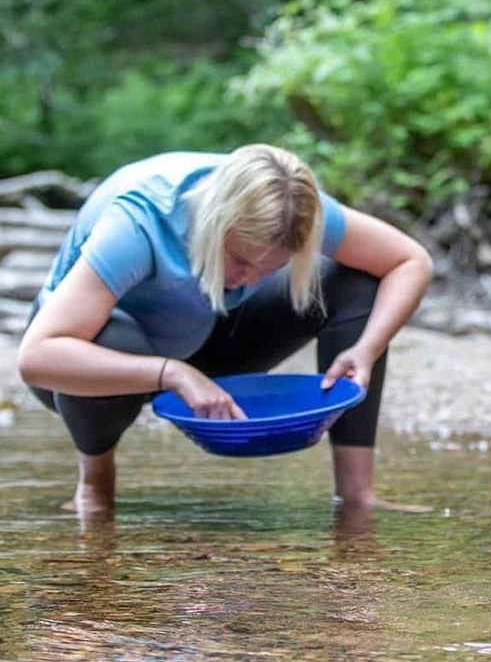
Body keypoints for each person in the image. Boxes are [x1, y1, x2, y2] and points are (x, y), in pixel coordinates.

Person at [18, 144, 433, 517]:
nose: (249, 279)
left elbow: (409, 260)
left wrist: (366, 349)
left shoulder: (293, 210)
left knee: (357, 281)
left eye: (268, 269)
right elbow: (37, 357)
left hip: (203, 334)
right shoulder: (140, 221)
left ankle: (356, 496)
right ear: (216, 222)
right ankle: (94, 484)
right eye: (239, 260)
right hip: (91, 365)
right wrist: (173, 373)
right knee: (109, 334)